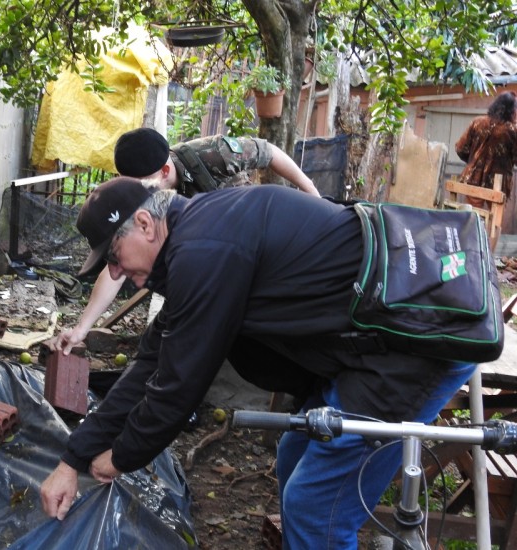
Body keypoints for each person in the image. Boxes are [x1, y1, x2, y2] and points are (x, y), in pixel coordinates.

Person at [39, 177, 477, 549]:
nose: (114, 273)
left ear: (144, 224)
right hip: (376, 346)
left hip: (415, 346)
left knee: (314, 507)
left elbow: (176, 389)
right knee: (293, 453)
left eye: (113, 256)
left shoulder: (205, 251)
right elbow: (149, 365)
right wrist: (73, 459)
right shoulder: (201, 237)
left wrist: (118, 459)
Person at [48, 128, 321, 354]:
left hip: (255, 241)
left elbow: (270, 152)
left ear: (165, 170)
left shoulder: (213, 154)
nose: (139, 193)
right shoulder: (142, 199)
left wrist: (313, 195)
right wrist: (82, 328)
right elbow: (118, 263)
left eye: (145, 185)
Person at [455, 90, 517, 208]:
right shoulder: (513, 130)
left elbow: (460, 149)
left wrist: (473, 162)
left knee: (472, 215)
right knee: (494, 217)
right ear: (512, 111)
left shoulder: (477, 122)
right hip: (498, 185)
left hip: (474, 178)